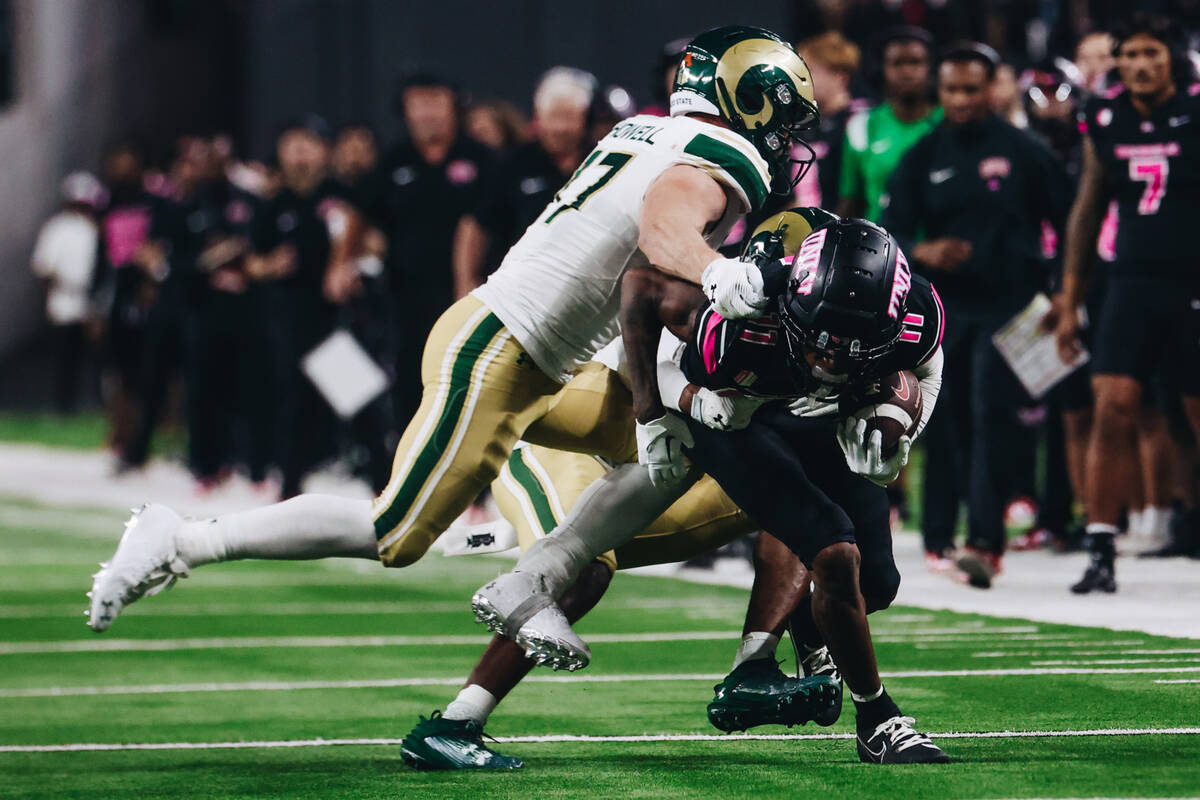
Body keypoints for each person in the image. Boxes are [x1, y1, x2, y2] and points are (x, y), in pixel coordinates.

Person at [86, 25, 818, 633]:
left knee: (678, 446)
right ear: (748, 97)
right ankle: (183, 537)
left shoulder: (649, 131)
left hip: (543, 359)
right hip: (499, 351)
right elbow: (665, 229)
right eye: (784, 115)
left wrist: (666, 374)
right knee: (398, 533)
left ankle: (537, 568)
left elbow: (636, 273)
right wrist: (722, 273)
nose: (787, 138)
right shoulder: (719, 157)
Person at [472, 214, 949, 764]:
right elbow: (643, 295)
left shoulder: (916, 316)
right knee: (833, 551)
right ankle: (877, 719)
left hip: (814, 416)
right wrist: (670, 407)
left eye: (852, 344)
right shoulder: (741, 316)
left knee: (877, 583)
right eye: (821, 338)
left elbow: (929, 368)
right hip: (734, 419)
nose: (832, 357)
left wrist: (902, 428)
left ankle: (805, 630)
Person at [401, 212, 845, 770]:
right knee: (584, 568)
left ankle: (755, 666)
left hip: (645, 469)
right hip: (570, 444)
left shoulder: (815, 338)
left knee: (791, 496)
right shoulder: (718, 298)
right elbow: (655, 366)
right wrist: (690, 403)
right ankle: (453, 724)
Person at [881, 42, 1072, 587]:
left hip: (1012, 310)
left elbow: (1070, 220)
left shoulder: (1026, 151)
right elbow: (891, 232)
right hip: (942, 311)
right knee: (941, 420)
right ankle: (939, 537)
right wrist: (924, 252)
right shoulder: (923, 156)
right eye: (951, 89)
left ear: (992, 89)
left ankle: (986, 543)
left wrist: (1064, 291)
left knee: (991, 415)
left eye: (971, 88)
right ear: (939, 92)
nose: (960, 99)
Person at [1047, 13, 1200, 593]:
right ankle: (1101, 546)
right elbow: (1087, 212)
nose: (1140, 64)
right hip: (1130, 282)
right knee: (1111, 407)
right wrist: (1071, 300)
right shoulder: (1105, 117)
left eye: (1151, 54)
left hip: (1191, 282)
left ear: (1173, 59)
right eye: (1130, 54)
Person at [358, 75, 494, 425]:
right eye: (418, 103)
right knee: (408, 382)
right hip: (405, 296)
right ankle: (409, 469)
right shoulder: (393, 162)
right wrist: (345, 260)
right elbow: (361, 215)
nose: (427, 112)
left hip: (471, 294)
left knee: (470, 382)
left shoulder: (482, 159)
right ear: (405, 111)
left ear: (454, 106)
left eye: (436, 101)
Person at [452, 67, 596, 297]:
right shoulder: (511, 165)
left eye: (568, 117)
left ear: (584, 118)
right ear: (538, 117)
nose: (560, 128)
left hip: (586, 288)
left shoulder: (600, 160)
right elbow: (475, 225)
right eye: (553, 117)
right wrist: (465, 282)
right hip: (517, 290)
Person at [837, 26, 941, 223]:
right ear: (882, 69)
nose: (907, 71)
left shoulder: (949, 122)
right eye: (897, 63)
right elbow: (850, 202)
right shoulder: (861, 126)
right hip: (879, 247)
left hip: (939, 247)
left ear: (930, 68)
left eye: (915, 62)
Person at [30, 171, 106, 413]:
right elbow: (43, 267)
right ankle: (64, 405)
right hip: (65, 299)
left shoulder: (95, 229)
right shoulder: (57, 228)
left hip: (91, 300)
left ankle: (96, 404)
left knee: (96, 358)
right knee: (66, 357)